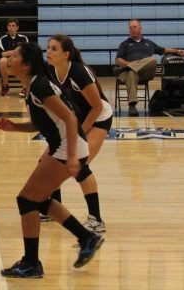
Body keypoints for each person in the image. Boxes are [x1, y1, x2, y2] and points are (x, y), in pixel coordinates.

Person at [0, 43, 104, 278]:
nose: (8, 59)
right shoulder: (33, 85)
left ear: (26, 65)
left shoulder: (40, 86)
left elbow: (70, 118)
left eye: (13, 56)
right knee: (39, 200)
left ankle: (31, 263)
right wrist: (14, 127)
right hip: (63, 146)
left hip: (68, 147)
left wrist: (74, 156)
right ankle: (87, 237)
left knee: (26, 201)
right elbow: (43, 122)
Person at [45, 34, 111, 233]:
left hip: (99, 117)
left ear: (66, 54)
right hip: (77, 118)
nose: (48, 52)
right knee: (52, 161)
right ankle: (54, 209)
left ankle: (96, 220)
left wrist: (79, 134)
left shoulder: (79, 72)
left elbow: (97, 107)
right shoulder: (52, 72)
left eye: (54, 49)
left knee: (80, 165)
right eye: (48, 48)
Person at [115, 19, 184, 116]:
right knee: (131, 73)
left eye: (134, 27)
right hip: (130, 75)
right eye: (130, 28)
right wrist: (128, 65)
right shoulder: (124, 44)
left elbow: (163, 50)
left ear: (140, 28)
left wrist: (177, 51)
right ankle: (132, 105)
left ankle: (129, 67)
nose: (132, 29)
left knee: (152, 60)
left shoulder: (149, 43)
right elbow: (118, 60)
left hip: (145, 73)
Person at [0, 18, 29, 96]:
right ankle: (5, 86)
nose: (11, 28)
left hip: (20, 61)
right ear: (7, 27)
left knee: (25, 60)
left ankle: (25, 88)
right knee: (2, 61)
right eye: (9, 26)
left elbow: (25, 52)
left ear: (17, 27)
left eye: (13, 26)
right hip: (9, 61)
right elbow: (3, 54)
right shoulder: (3, 39)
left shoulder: (24, 38)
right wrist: (17, 51)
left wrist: (11, 52)